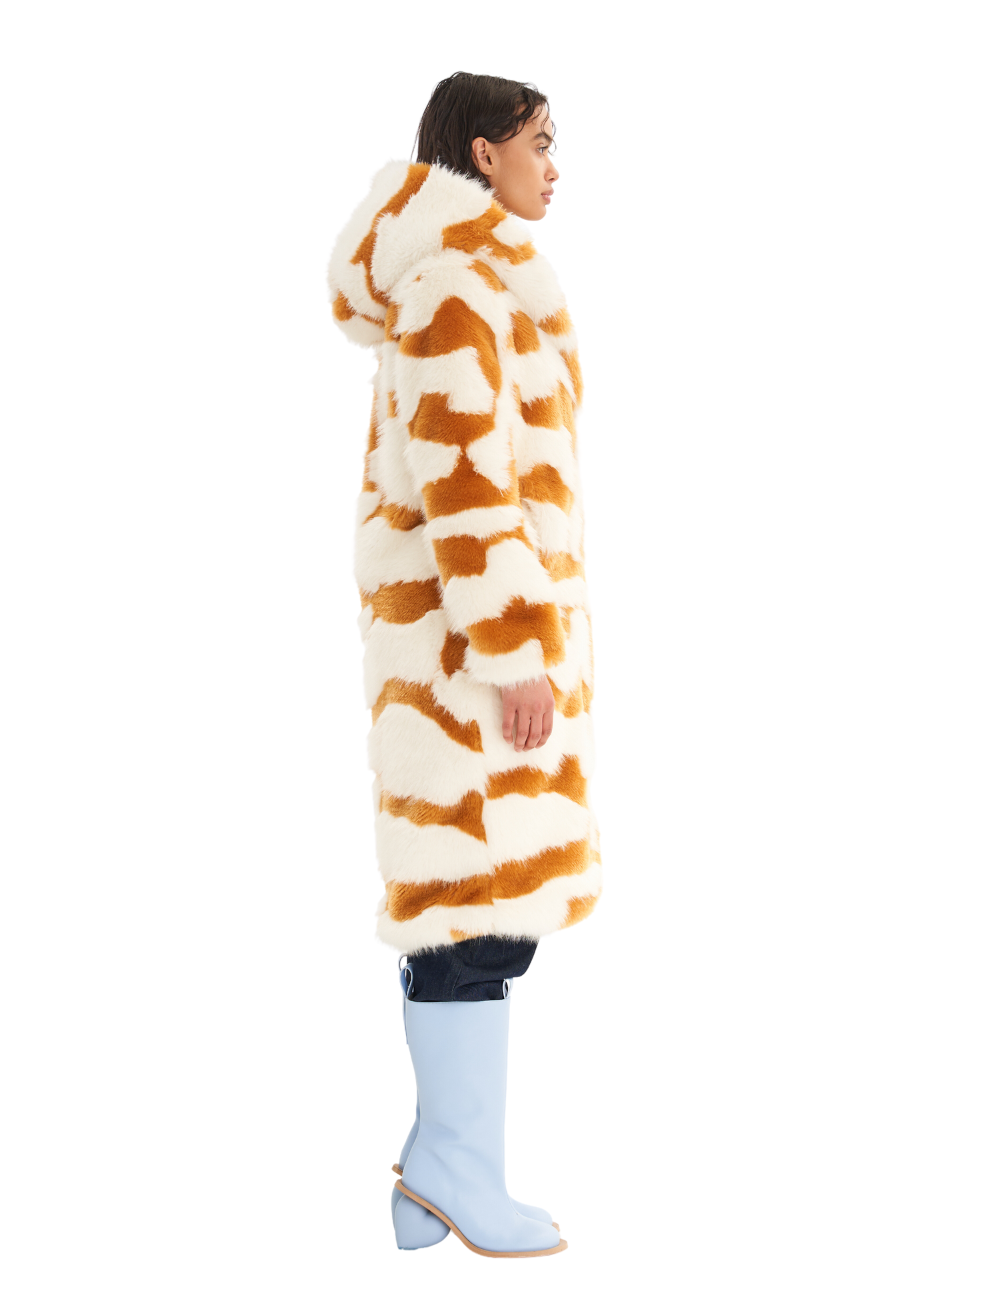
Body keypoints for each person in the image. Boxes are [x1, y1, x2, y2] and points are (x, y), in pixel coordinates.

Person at [327, 71, 601, 1258]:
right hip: (464, 660)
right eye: (541, 142)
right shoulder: (454, 284)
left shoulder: (474, 278)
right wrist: (515, 649)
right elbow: (466, 483)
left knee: (479, 911)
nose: (555, 165)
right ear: (485, 154)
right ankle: (454, 1167)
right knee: (470, 918)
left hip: (465, 652)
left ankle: (435, 1177)